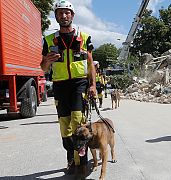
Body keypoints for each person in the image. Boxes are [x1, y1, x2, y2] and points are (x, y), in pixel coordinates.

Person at [40, 0, 96, 176]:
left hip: (79, 85)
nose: (64, 16)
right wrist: (47, 61)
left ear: (72, 15)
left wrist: (93, 85)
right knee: (65, 128)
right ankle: (71, 160)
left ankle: (82, 165)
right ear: (56, 16)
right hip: (60, 86)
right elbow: (43, 68)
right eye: (60, 13)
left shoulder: (84, 37)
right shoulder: (49, 40)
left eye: (67, 13)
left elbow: (90, 63)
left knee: (79, 124)